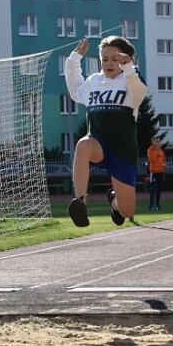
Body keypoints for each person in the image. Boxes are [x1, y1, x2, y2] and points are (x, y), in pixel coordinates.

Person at [64, 36, 148, 227]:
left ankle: (114, 201)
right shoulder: (93, 81)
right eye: (104, 59)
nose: (109, 63)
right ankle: (80, 203)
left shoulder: (131, 80)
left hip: (122, 151)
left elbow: (140, 93)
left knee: (127, 211)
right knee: (83, 145)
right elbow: (75, 89)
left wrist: (128, 68)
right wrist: (75, 58)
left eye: (115, 58)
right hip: (98, 144)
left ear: (125, 59)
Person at [146, 135, 165, 211]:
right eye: (156, 141)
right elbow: (152, 160)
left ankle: (157, 204)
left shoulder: (161, 151)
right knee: (153, 189)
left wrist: (164, 165)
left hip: (161, 172)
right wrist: (156, 150)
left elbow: (163, 159)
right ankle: (151, 205)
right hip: (153, 172)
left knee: (159, 189)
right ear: (152, 142)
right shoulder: (150, 150)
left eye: (159, 141)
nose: (158, 143)